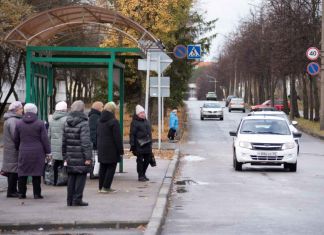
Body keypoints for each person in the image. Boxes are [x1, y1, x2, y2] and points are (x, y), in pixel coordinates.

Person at [14, 103, 51, 199]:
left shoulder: (19, 123)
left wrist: (18, 148)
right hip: (37, 151)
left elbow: (16, 139)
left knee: (22, 172)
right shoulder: (40, 123)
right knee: (36, 172)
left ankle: (22, 193)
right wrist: (48, 152)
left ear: (25, 111)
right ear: (35, 111)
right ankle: (37, 194)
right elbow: (45, 139)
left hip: (24, 150)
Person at [63, 100, 92, 206]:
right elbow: (85, 142)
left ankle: (69, 200)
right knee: (80, 176)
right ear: (82, 109)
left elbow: (64, 141)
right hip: (80, 156)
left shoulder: (67, 122)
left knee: (71, 177)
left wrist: (64, 156)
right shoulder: (84, 123)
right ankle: (77, 199)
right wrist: (88, 157)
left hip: (70, 155)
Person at [97, 102, 124, 193]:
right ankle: (106, 187)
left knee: (103, 167)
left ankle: (101, 187)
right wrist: (121, 151)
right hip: (111, 148)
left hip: (101, 147)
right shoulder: (113, 121)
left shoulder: (100, 120)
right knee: (111, 167)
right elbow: (117, 138)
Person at [1, 101, 23, 198]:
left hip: (9, 149)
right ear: (17, 110)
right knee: (13, 171)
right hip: (14, 149)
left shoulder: (9, 120)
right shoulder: (13, 121)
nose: (22, 111)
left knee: (11, 170)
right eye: (21, 109)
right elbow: (16, 136)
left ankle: (12, 190)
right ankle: (11, 191)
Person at [129, 105, 152, 182]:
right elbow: (132, 134)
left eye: (143, 112)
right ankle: (140, 175)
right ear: (137, 114)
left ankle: (143, 173)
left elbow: (149, 133)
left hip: (147, 144)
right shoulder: (134, 122)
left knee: (148, 159)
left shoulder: (146, 121)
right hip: (139, 145)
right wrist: (132, 145)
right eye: (141, 113)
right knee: (140, 160)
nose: (143, 114)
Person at [48, 101, 68, 185]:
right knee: (63, 164)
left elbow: (49, 134)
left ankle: (54, 180)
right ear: (64, 109)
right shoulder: (66, 119)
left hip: (54, 145)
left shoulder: (51, 119)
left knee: (55, 163)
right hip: (63, 145)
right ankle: (62, 180)